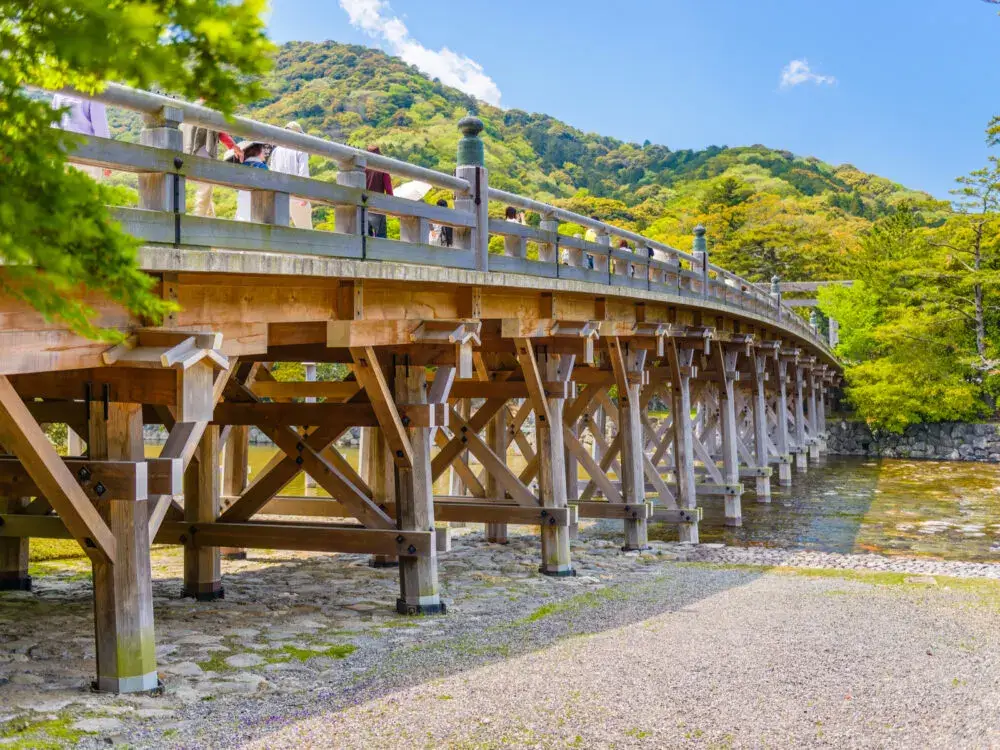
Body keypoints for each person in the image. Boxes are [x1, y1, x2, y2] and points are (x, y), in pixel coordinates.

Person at [181, 106, 243, 217]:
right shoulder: (211, 107)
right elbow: (220, 132)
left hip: (188, 152)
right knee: (205, 191)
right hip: (204, 153)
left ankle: (210, 218)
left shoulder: (191, 107)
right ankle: (199, 220)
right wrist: (234, 146)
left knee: (206, 191)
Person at [51, 94, 112, 179]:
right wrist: (107, 159)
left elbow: (54, 124)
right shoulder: (93, 92)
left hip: (62, 153)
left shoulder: (59, 92)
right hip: (87, 155)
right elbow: (101, 129)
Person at [269, 122, 312, 229]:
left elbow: (272, 172)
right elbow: (303, 174)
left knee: (280, 231)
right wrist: (304, 195)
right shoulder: (301, 149)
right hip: (297, 195)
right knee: (306, 232)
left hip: (279, 196)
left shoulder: (276, 150)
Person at [232, 142, 272, 221]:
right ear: (258, 151)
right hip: (259, 203)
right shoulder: (263, 167)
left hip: (242, 201)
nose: (265, 152)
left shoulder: (241, 166)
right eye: (263, 149)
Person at [365, 145, 393, 238]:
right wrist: (391, 206)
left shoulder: (363, 168)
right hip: (378, 206)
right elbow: (388, 189)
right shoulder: (382, 168)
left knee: (365, 237)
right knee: (380, 236)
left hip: (363, 205)